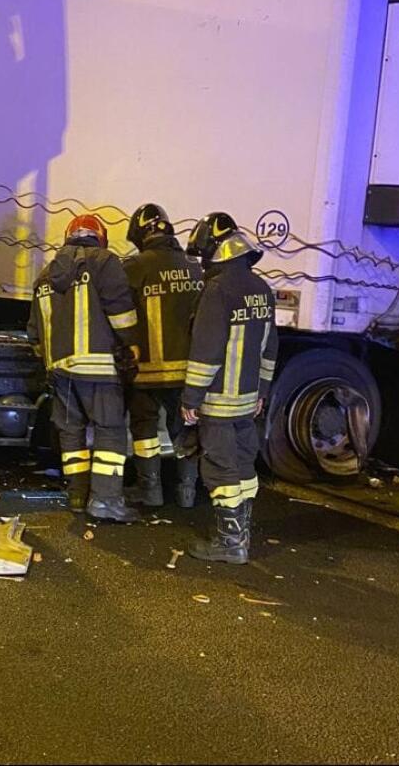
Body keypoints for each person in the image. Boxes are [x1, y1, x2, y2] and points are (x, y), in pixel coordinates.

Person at [28, 213, 142, 522]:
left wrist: (53, 361)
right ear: (100, 237)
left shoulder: (45, 277)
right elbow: (121, 312)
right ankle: (105, 501)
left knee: (71, 432)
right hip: (100, 370)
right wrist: (132, 343)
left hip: (60, 373)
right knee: (110, 433)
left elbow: (35, 335)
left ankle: (78, 494)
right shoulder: (104, 262)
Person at [181, 212, 278, 563]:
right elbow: (270, 347)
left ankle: (230, 543)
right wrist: (263, 391)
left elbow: (206, 351)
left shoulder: (217, 290)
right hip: (248, 400)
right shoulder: (261, 289)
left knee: (219, 468)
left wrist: (191, 397)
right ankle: (242, 533)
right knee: (242, 464)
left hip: (219, 400)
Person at [121, 203, 205, 508]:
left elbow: (119, 314)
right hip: (187, 372)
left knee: (144, 429)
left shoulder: (133, 268)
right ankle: (186, 493)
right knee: (184, 429)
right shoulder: (197, 268)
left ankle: (150, 491)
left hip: (146, 371)